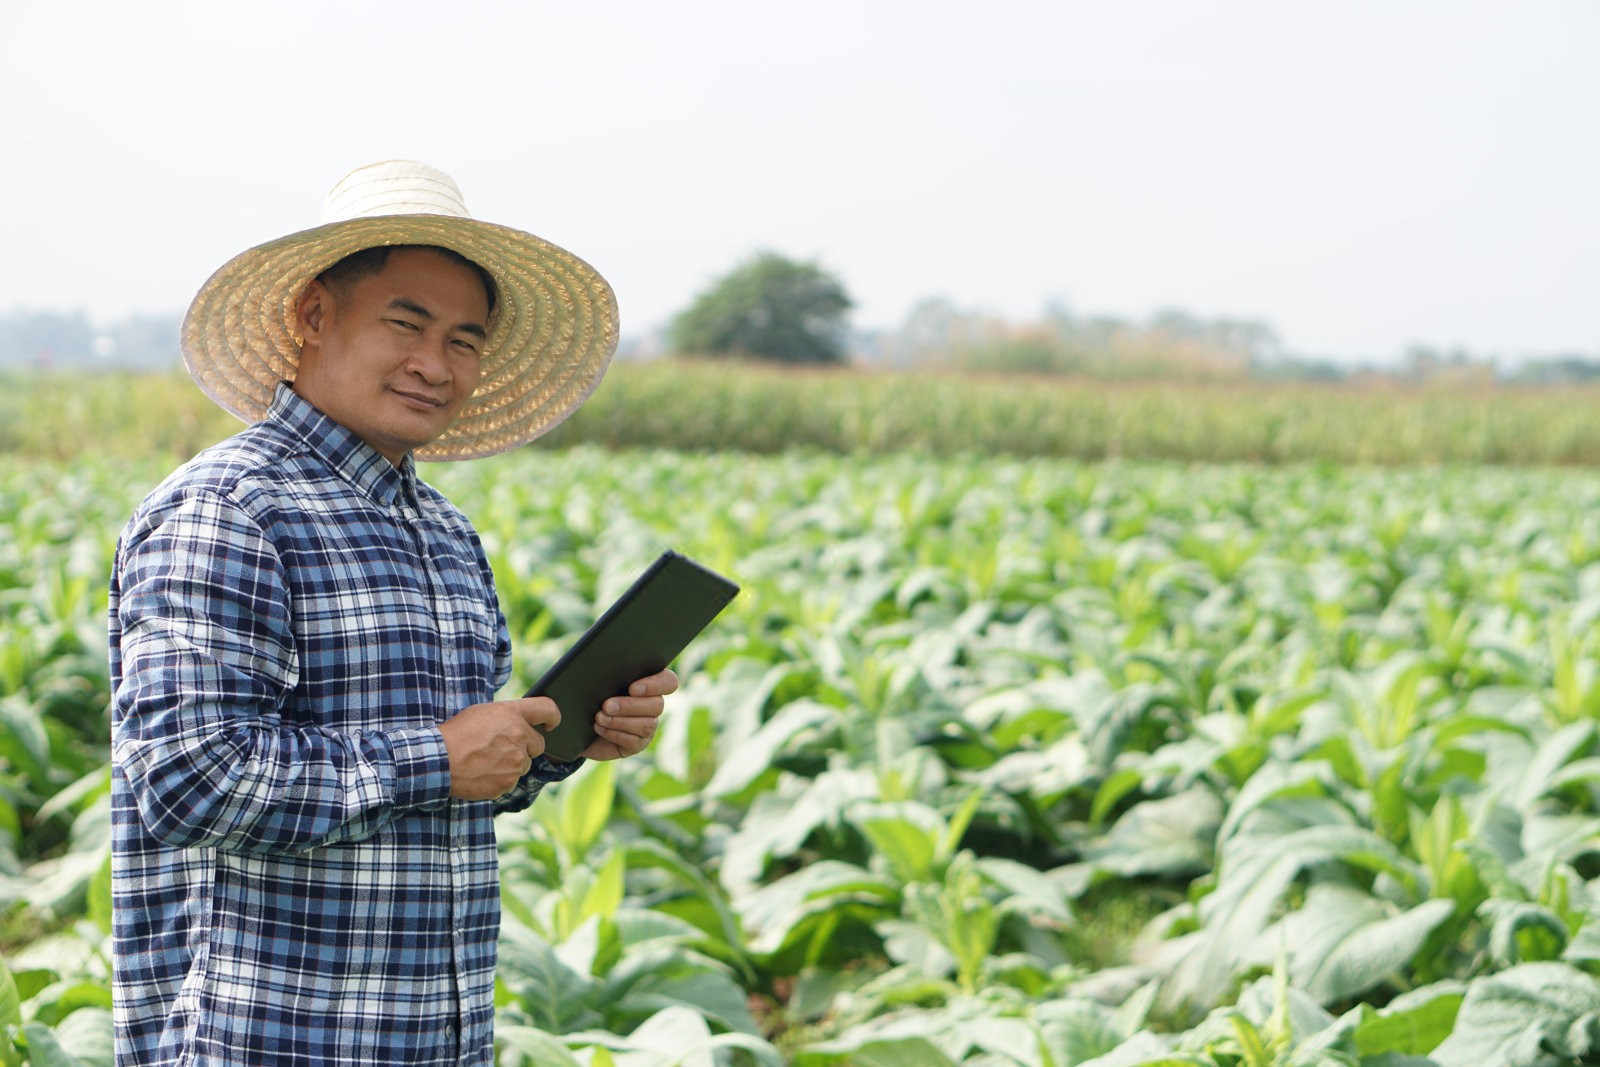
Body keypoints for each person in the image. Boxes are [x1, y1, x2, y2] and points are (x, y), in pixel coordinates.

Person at [107, 161, 670, 1066]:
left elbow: (452, 783)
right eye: (406, 323)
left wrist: (561, 739)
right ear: (314, 316)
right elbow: (187, 778)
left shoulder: (443, 530)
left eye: (463, 340)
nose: (433, 364)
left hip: (431, 1035)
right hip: (267, 1039)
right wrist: (438, 757)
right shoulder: (232, 507)